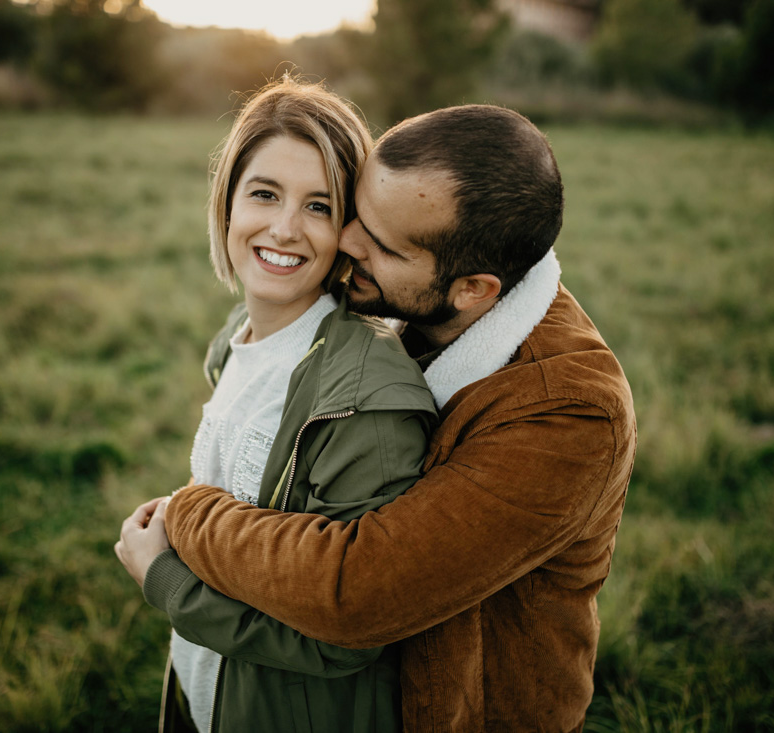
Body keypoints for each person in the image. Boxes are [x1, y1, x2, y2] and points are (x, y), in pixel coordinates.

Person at [121, 104, 637, 732]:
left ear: (472, 290)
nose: (346, 240)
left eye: (383, 244)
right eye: (356, 211)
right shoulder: (394, 302)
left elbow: (357, 591)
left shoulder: (568, 414)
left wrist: (188, 514)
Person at [116, 78, 437, 733]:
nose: (284, 229)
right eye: (264, 193)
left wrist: (165, 579)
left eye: (319, 206)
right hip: (205, 694)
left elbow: (344, 635)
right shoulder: (239, 339)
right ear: (228, 200)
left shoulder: (366, 404)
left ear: (350, 230)